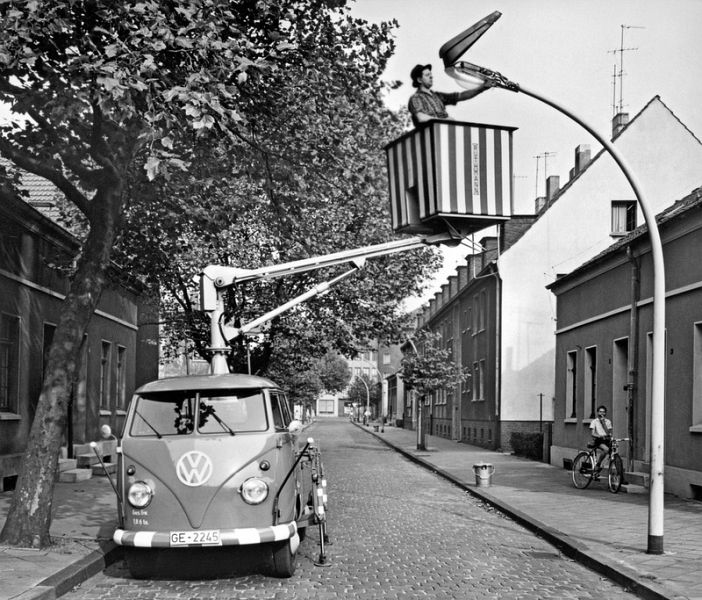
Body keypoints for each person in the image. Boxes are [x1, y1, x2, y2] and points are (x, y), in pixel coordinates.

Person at [408, 63, 490, 128]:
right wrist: (445, 120)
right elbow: (421, 118)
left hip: (445, 133)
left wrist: (483, 87)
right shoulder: (416, 98)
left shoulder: (437, 96)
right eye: (427, 75)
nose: (431, 77)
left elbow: (461, 96)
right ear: (419, 80)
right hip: (430, 137)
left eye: (431, 74)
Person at [589, 405, 613, 477]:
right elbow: (593, 433)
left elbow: (609, 433)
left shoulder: (608, 421)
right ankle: (598, 464)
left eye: (603, 412)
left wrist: (604, 423)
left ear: (605, 413)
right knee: (606, 449)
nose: (602, 413)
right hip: (599, 440)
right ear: (597, 412)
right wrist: (599, 436)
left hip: (606, 440)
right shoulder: (594, 421)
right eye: (600, 412)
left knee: (614, 451)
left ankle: (619, 475)